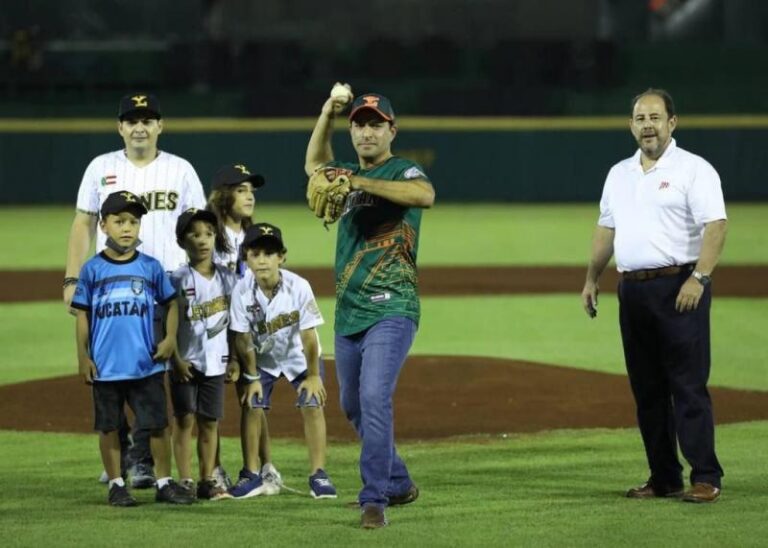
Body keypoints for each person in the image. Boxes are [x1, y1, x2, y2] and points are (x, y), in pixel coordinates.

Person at [581, 88, 728, 504]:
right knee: (647, 390)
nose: (647, 125)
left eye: (655, 117)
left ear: (672, 123)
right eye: (640, 118)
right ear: (631, 125)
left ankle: (705, 475)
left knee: (687, 385)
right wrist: (593, 278)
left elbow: (715, 225)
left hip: (679, 287)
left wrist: (699, 277)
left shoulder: (693, 169)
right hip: (633, 291)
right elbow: (606, 229)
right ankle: (664, 476)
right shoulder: (619, 174)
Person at [304, 86, 435, 528]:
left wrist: (356, 182)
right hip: (349, 310)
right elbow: (313, 166)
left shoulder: (403, 169)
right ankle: (397, 481)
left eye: (375, 124)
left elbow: (424, 195)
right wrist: (327, 112)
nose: (365, 132)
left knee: (376, 396)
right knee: (353, 405)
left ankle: (373, 499)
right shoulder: (340, 171)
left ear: (391, 131)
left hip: (393, 306)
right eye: (358, 124)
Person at [63, 93, 208, 489]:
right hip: (110, 288)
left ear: (160, 125)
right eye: (131, 120)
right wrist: (72, 279)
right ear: (120, 127)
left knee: (165, 375)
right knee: (115, 375)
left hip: (168, 285)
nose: (139, 127)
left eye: (147, 119)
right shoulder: (101, 167)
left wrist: (203, 279)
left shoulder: (180, 170)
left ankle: (156, 459)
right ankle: (130, 454)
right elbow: (83, 224)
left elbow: (198, 229)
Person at [71, 190, 195, 506]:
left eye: (134, 221)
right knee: (110, 427)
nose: (127, 228)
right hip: (106, 365)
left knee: (156, 424)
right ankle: (116, 484)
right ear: (103, 226)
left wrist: (168, 339)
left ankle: (164, 483)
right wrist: (83, 357)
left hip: (146, 363)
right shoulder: (92, 270)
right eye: (119, 221)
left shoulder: (151, 267)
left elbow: (171, 305)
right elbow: (82, 316)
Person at [227, 223, 338, 500]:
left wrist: (314, 375)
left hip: (299, 358)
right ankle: (252, 474)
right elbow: (242, 339)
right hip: (262, 359)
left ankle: (319, 474)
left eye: (269, 253)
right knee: (252, 405)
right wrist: (251, 378)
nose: (262, 260)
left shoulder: (299, 286)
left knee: (312, 402)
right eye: (255, 254)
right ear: (246, 258)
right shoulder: (241, 291)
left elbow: (310, 336)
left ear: (282, 257)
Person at [206, 163, 282, 494]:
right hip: (213, 328)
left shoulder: (252, 235)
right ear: (224, 196)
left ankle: (264, 469)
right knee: (208, 406)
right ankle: (214, 470)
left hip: (248, 328)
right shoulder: (206, 233)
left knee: (254, 397)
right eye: (241, 190)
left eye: (251, 190)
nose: (249, 196)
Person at [169, 208, 238, 501]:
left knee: (210, 422)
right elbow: (166, 325)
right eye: (195, 234)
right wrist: (175, 359)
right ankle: (185, 479)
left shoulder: (228, 278)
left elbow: (237, 323)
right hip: (185, 361)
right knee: (184, 420)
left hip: (217, 361)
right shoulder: (175, 279)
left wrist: (234, 358)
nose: (203, 240)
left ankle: (206, 479)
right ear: (182, 241)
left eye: (209, 234)